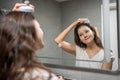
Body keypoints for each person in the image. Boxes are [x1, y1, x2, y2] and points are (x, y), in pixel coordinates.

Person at [0, 3, 64, 80]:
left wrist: (11, 23)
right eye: (39, 27)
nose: (42, 31)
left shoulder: (7, 69)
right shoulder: (39, 75)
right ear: (29, 34)